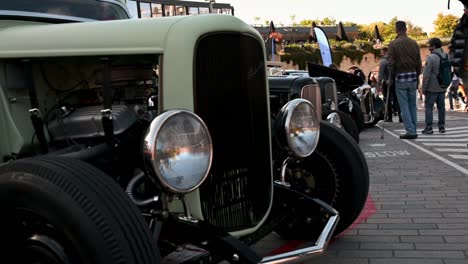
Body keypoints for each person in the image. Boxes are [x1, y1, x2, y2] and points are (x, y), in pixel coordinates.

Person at [387, 21, 422, 139]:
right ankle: (414, 129)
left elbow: (391, 63)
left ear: (396, 30)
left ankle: (410, 131)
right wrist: (417, 75)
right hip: (413, 75)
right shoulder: (414, 43)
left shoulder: (393, 44)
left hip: (400, 77)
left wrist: (390, 78)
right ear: (406, 29)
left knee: (404, 106)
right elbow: (418, 62)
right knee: (412, 105)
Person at [421, 38, 448, 134]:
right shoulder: (446, 55)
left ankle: (429, 127)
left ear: (434, 46)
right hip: (443, 86)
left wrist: (423, 89)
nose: (428, 48)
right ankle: (442, 127)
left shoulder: (431, 57)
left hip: (432, 87)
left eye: (429, 46)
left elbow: (426, 75)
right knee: (441, 107)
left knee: (429, 107)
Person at [378, 47, 401, 122]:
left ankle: (389, 117)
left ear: (385, 52)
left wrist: (378, 85)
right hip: (395, 82)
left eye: (381, 51)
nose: (380, 53)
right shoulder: (395, 60)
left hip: (386, 82)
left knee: (387, 100)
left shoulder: (383, 61)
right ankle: (400, 116)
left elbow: (380, 74)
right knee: (396, 99)